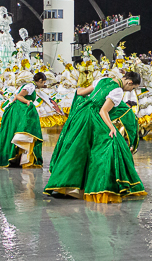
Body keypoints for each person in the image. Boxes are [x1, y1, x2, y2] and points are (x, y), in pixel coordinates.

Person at [45, 72, 145, 203]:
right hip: (92, 119)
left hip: (80, 115)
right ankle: (102, 185)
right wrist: (112, 127)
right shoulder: (117, 91)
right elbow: (103, 111)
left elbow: (81, 92)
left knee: (75, 150)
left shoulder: (103, 80)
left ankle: (64, 185)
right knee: (112, 145)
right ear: (130, 82)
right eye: (133, 88)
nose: (131, 90)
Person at [0, 72, 47, 168]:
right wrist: (28, 101)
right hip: (19, 111)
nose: (43, 85)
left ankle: (14, 157)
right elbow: (19, 96)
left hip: (16, 111)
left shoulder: (28, 85)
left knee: (13, 133)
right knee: (24, 131)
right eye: (43, 83)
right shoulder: (31, 86)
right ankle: (17, 157)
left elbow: (15, 97)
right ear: (40, 81)